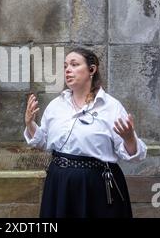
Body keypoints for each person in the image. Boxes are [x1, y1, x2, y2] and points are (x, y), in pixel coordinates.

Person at [24, 47, 147, 218]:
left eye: (74, 65)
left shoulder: (111, 107)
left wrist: (129, 139)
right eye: (66, 65)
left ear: (92, 69)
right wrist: (30, 124)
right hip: (60, 182)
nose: (68, 69)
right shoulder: (56, 105)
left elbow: (136, 156)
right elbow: (43, 142)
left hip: (96, 185)